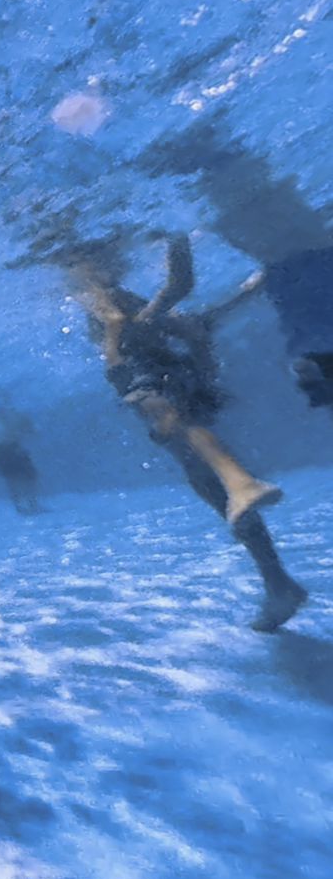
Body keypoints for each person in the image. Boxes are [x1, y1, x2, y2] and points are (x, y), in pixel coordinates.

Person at [69, 235, 308, 632]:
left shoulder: (94, 294)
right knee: (207, 483)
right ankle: (278, 583)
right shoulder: (123, 299)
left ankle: (243, 484)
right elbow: (186, 322)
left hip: (144, 377)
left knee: (179, 429)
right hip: (175, 372)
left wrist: (114, 358)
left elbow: (119, 321)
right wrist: (244, 293)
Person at [142, 121, 333, 410]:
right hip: (305, 258)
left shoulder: (308, 337)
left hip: (292, 266)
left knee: (247, 202)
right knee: (251, 202)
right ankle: (206, 146)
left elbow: (270, 281)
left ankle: (204, 148)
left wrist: (221, 310)